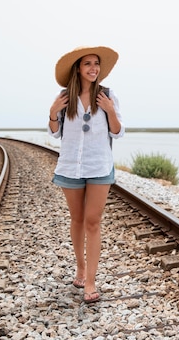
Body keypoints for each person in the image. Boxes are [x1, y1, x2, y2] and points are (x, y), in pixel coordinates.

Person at [48, 45, 125, 304]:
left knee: (93, 222)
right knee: (77, 219)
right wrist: (52, 112)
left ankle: (90, 280)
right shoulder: (64, 97)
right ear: (78, 69)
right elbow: (55, 133)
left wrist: (111, 110)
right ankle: (80, 267)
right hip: (71, 166)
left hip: (99, 166)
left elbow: (117, 132)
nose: (93, 68)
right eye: (88, 64)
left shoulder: (107, 95)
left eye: (96, 64)